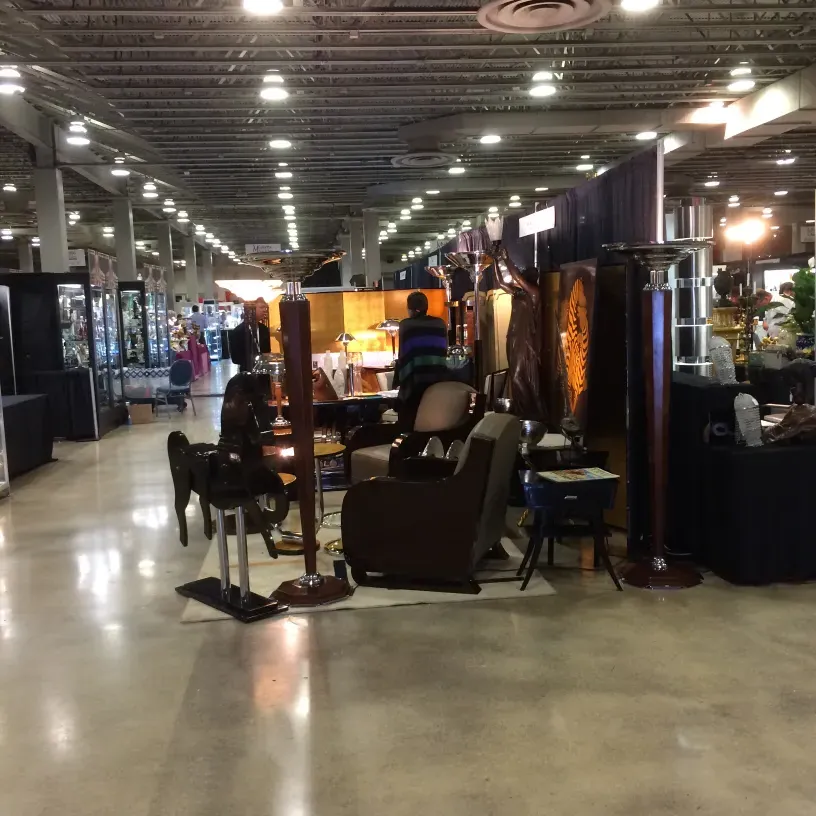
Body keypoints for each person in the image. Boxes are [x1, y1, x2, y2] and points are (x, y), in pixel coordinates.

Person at [392, 291, 448, 429]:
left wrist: (397, 381)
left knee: (406, 414)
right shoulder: (440, 324)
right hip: (438, 383)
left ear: (409, 308)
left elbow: (404, 357)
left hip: (415, 382)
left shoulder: (406, 325)